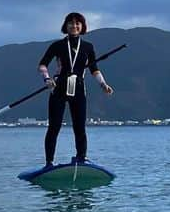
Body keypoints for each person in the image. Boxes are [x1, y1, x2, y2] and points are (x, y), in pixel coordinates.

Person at [37, 12, 114, 166]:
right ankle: (49, 162)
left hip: (78, 87)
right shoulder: (57, 45)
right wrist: (47, 79)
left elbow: (94, 69)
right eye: (71, 23)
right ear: (66, 26)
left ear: (82, 26)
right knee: (54, 126)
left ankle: (81, 157)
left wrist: (103, 84)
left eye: (78, 23)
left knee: (80, 126)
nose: (74, 26)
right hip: (59, 87)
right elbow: (42, 65)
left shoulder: (87, 47)